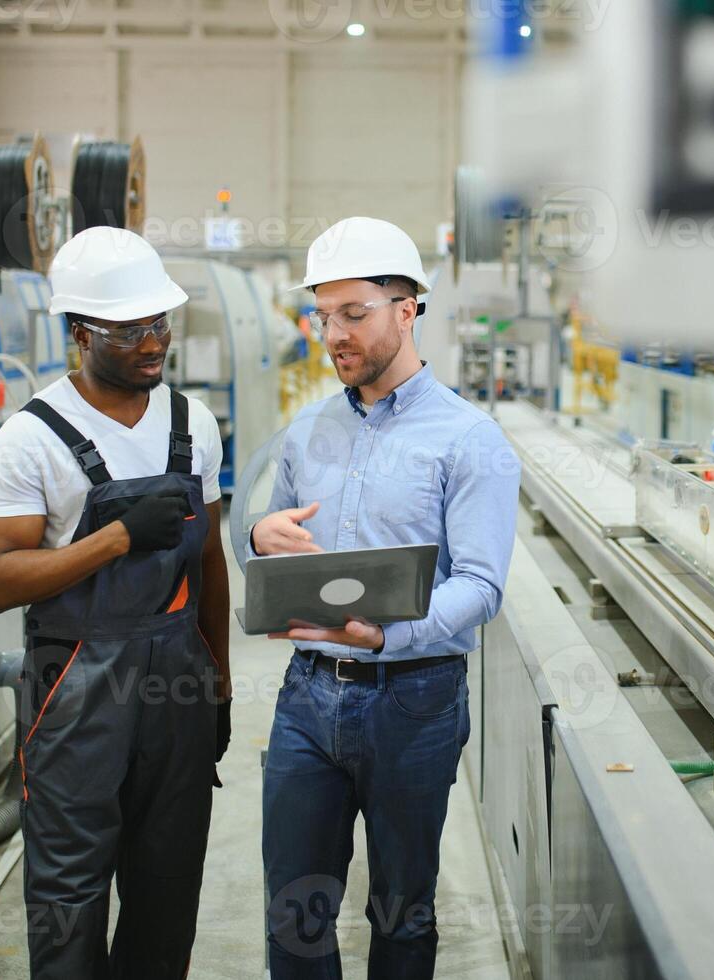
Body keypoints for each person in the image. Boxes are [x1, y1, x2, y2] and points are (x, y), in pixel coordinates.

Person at [254, 216, 519, 978]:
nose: (332, 333)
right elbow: (271, 542)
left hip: (415, 698)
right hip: (307, 695)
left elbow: (480, 585)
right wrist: (258, 540)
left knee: (402, 910)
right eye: (322, 314)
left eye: (354, 314)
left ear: (407, 310)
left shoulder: (468, 440)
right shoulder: (306, 432)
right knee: (293, 910)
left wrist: (388, 638)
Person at [0, 227, 231, 979]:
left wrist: (215, 680)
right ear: (80, 333)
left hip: (176, 679)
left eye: (159, 324)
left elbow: (209, 562)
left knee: (168, 883)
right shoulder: (33, 439)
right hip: (77, 686)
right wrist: (112, 541)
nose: (153, 343)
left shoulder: (192, 424)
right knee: (69, 893)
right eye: (129, 330)